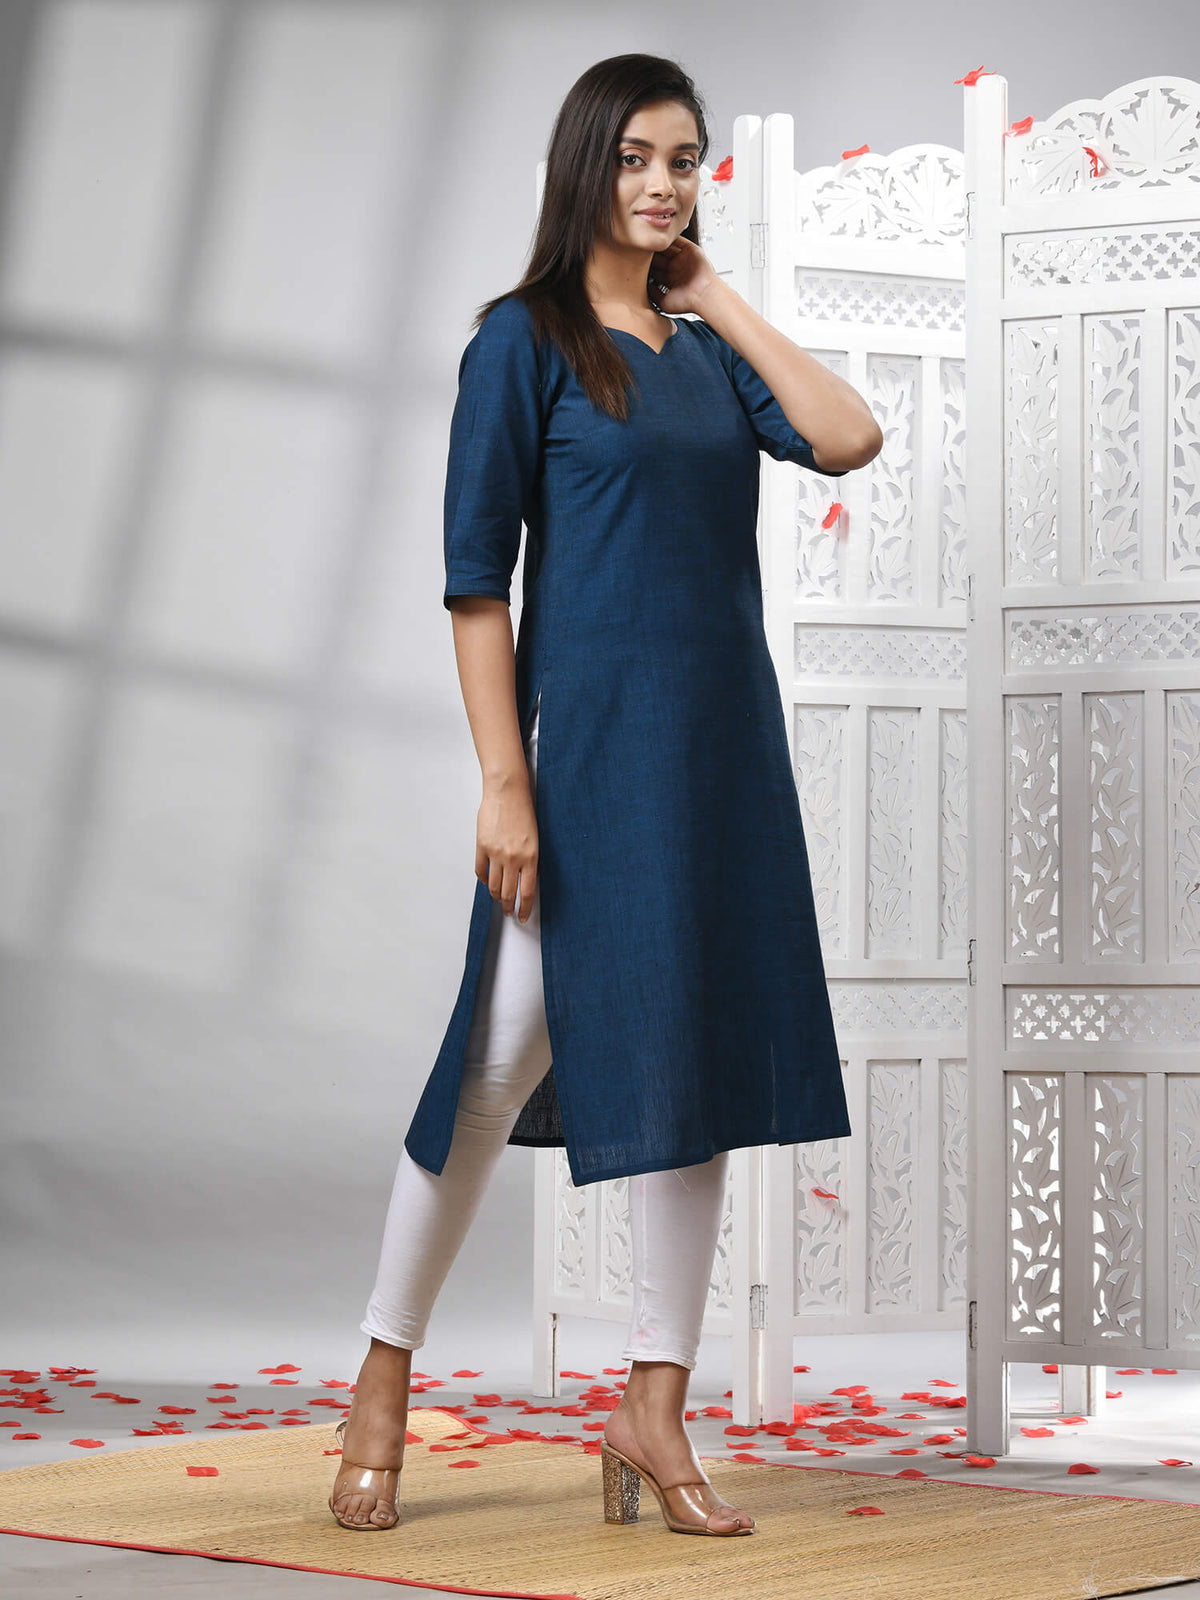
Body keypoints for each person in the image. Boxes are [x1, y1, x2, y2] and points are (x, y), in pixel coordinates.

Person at [328, 53, 882, 1537]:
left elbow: (846, 435)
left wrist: (719, 298)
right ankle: (383, 1368)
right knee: (496, 1063)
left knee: (694, 1074)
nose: (661, 184)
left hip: (719, 758)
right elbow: (475, 586)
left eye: (685, 160)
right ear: (586, 164)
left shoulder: (704, 352)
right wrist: (504, 787)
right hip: (584, 760)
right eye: (635, 156)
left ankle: (654, 1400)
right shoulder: (520, 343)